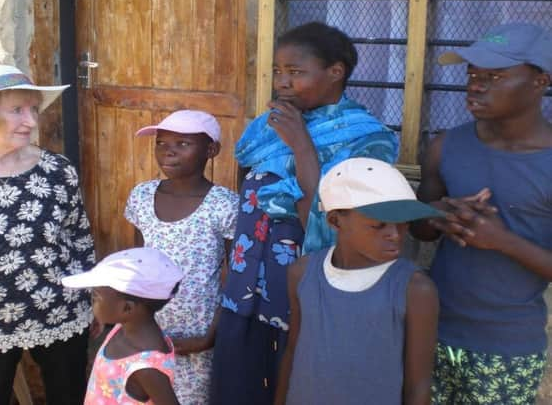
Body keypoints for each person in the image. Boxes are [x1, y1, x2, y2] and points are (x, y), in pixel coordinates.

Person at [209, 22, 399, 405]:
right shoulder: (266, 130)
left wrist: (301, 144)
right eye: (278, 72)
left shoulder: (369, 138)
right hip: (245, 289)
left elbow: (337, 215)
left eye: (296, 72)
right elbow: (249, 202)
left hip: (305, 294)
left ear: (335, 72)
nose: (282, 82)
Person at [412, 23, 552, 404]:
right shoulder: (446, 146)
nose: (475, 85)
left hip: (508, 348)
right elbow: (420, 231)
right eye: (472, 74)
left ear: (540, 81)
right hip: (432, 331)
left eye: (494, 77)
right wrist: (435, 214)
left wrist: (501, 241)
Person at [0, 64, 95, 405]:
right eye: (17, 110)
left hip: (60, 312)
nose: (31, 121)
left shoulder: (57, 171)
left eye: (32, 110)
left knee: (69, 397)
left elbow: (79, 240)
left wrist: (91, 302)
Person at [275, 157, 440, 405]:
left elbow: (419, 385)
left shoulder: (414, 289)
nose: (395, 236)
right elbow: (293, 351)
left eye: (403, 225)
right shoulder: (303, 273)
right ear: (335, 221)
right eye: (378, 225)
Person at [124, 110, 239, 405]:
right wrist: (131, 324)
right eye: (161, 143)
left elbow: (236, 276)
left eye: (183, 144)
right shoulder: (141, 195)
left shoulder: (224, 204)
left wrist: (209, 337)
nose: (168, 151)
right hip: (149, 329)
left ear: (211, 150)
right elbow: (139, 265)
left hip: (198, 335)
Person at [62, 247, 183, 405]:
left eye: (96, 296)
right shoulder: (122, 327)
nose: (91, 301)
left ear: (127, 308)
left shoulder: (146, 368)